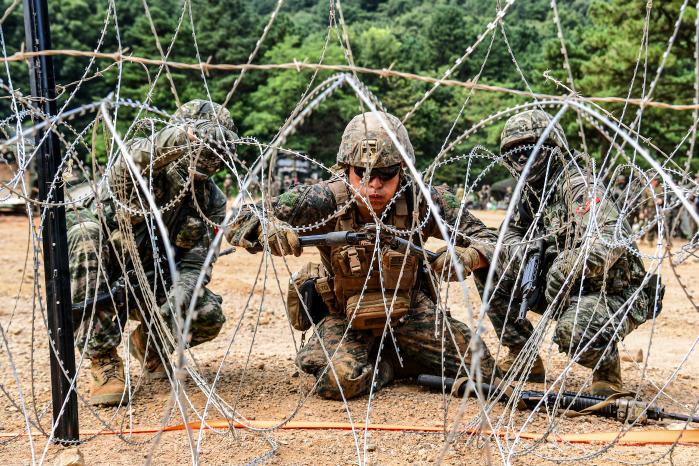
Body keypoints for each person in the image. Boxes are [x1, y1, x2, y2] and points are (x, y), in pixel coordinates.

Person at [225, 111, 499, 400]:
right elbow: (242, 218)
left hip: (408, 310)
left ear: (403, 169)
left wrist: (468, 257)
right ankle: (389, 366)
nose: (375, 185)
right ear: (346, 169)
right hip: (344, 313)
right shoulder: (324, 200)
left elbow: (490, 240)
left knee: (483, 368)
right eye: (363, 173)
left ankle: (398, 353)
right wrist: (270, 230)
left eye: (387, 174)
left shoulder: (423, 201)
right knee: (340, 381)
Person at [67, 99, 236, 405]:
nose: (207, 157)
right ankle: (103, 359)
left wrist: (179, 296)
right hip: (108, 273)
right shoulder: (144, 167)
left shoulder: (211, 199)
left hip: (154, 278)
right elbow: (129, 161)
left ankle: (149, 344)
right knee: (85, 234)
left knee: (207, 314)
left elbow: (197, 263)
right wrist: (183, 138)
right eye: (203, 145)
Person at [484, 109, 661, 396]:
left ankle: (606, 366)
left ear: (553, 148)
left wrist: (568, 264)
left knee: (572, 333)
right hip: (562, 287)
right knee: (488, 265)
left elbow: (612, 239)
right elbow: (510, 234)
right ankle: (521, 353)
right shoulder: (531, 191)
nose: (521, 159)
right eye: (513, 153)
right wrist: (520, 253)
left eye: (529, 149)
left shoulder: (577, 185)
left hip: (611, 292)